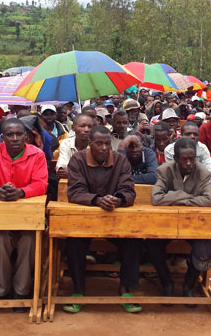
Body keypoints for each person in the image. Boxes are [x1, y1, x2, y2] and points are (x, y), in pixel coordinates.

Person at [64, 125, 140, 314]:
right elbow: (74, 192)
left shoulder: (121, 160)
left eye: (107, 143)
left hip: (115, 218)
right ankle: (78, 290)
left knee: (134, 240)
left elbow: (129, 190)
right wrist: (97, 200)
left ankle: (125, 289)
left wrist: (119, 199)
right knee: (73, 241)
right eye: (99, 144)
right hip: (86, 220)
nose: (104, 148)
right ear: (90, 144)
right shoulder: (78, 159)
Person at [0, 119, 48, 308]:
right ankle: (0, 288)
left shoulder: (37, 154)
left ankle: (21, 290)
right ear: (3, 137)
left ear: (26, 136)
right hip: (0, 215)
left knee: (29, 241)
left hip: (27, 215)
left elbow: (41, 184)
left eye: (19, 134)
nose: (15, 138)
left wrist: (21, 192)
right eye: (10, 134)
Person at [149, 137, 211, 302]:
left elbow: (210, 200)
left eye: (192, 159)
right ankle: (167, 283)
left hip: (193, 226)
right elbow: (156, 198)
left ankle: (188, 284)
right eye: (184, 159)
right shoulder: (165, 170)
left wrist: (176, 199)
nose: (188, 163)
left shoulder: (202, 172)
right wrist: (187, 197)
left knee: (205, 245)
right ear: (176, 159)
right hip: (167, 225)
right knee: (152, 245)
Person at [56, 114, 94, 179]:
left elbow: (98, 173)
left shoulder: (96, 145)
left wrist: (71, 173)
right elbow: (61, 171)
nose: (86, 130)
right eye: (82, 126)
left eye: (90, 126)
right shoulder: (66, 143)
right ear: (73, 128)